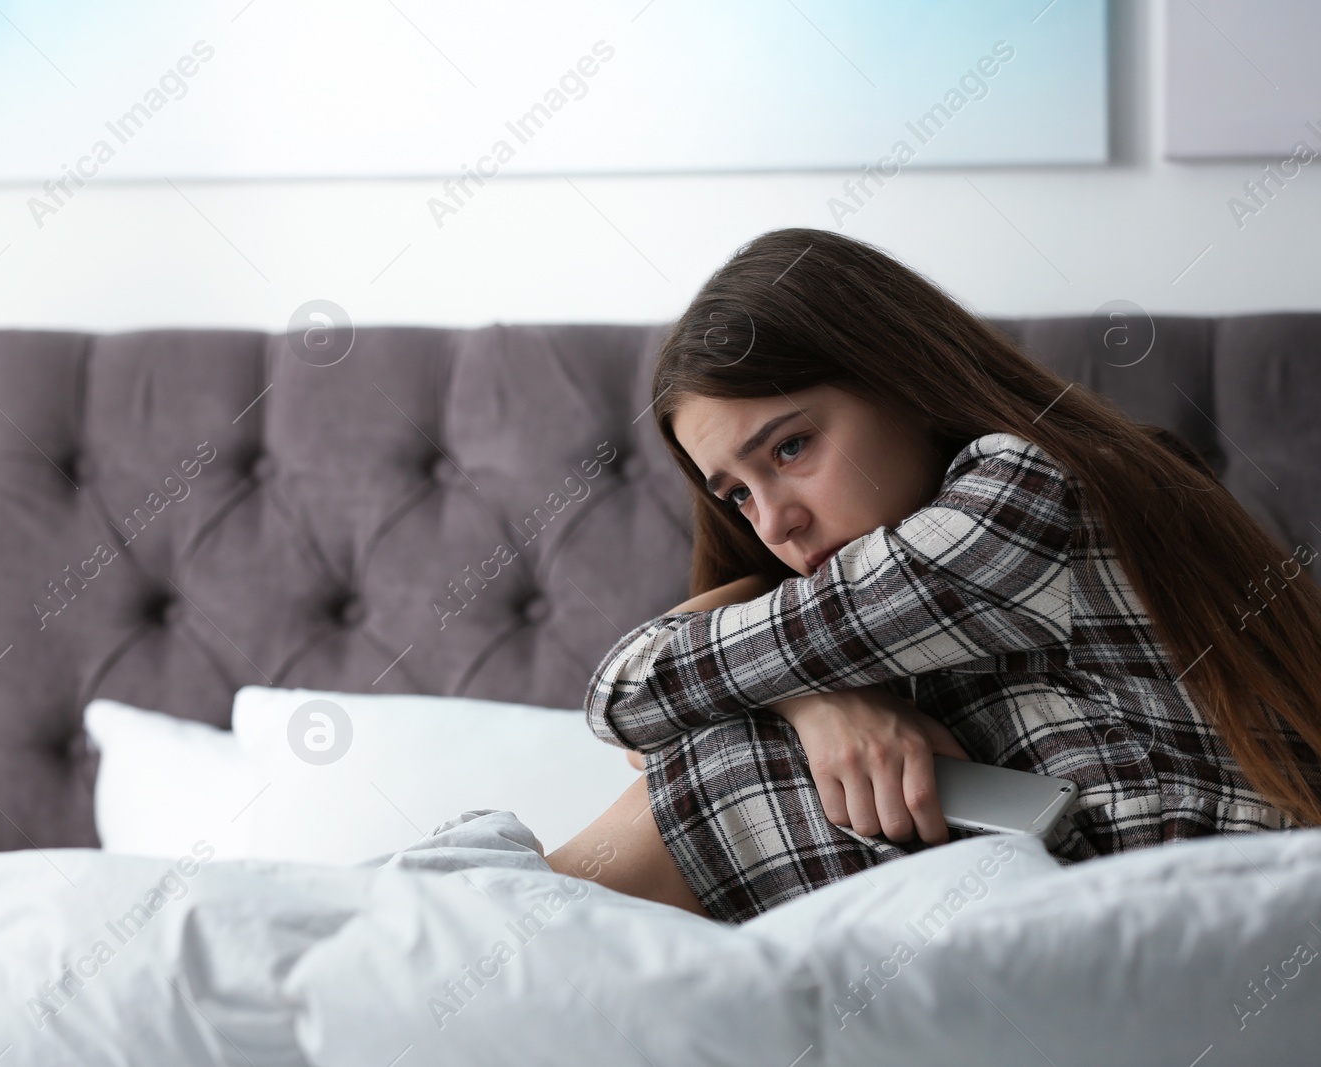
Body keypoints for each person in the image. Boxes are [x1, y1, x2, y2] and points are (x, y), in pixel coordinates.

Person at [544, 227, 1321, 924]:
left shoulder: (1023, 495)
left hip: (1199, 909)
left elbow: (629, 692)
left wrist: (789, 685)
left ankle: (491, 942)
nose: (774, 521)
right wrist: (816, 702)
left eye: (791, 448)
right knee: (752, 741)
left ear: (900, 379)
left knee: (726, 755)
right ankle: (497, 941)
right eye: (738, 494)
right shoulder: (903, 604)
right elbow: (642, 693)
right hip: (1092, 908)